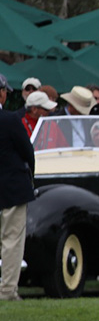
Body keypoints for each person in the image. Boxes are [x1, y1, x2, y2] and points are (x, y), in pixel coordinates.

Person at [0, 73, 35, 301]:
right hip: (11, 187)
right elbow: (27, 152)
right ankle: (7, 291)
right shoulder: (10, 120)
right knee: (11, 241)